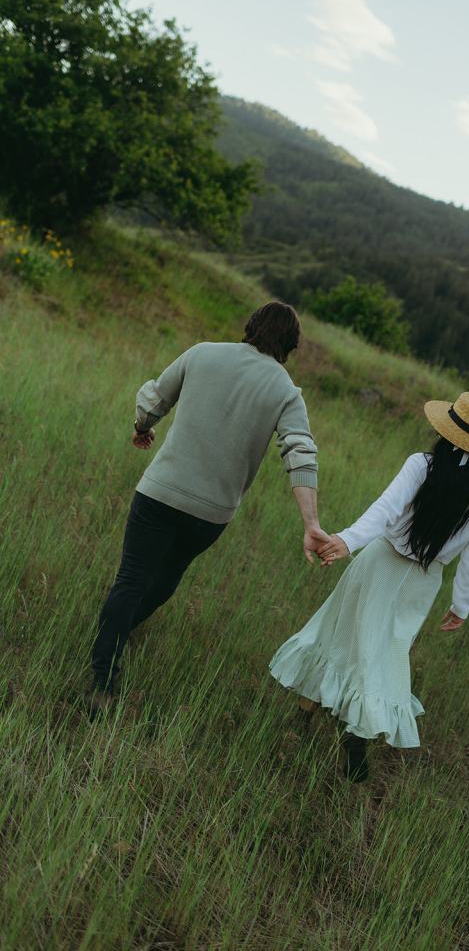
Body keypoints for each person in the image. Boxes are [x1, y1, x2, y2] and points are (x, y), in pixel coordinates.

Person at [90, 301, 327, 713]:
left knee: (130, 580)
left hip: (159, 493)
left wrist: (141, 428)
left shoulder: (203, 353)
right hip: (210, 515)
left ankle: (103, 680)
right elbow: (300, 453)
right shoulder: (286, 392)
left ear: (251, 326)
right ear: (291, 343)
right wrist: (311, 523)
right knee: (165, 581)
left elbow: (154, 399)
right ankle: (116, 631)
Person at [269, 392, 469, 782]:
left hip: (379, 563)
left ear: (446, 431)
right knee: (383, 654)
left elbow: (385, 509)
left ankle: (303, 718)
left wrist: (347, 540)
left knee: (338, 634)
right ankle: (355, 733)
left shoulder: (422, 465)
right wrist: (461, 605)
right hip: (422, 582)